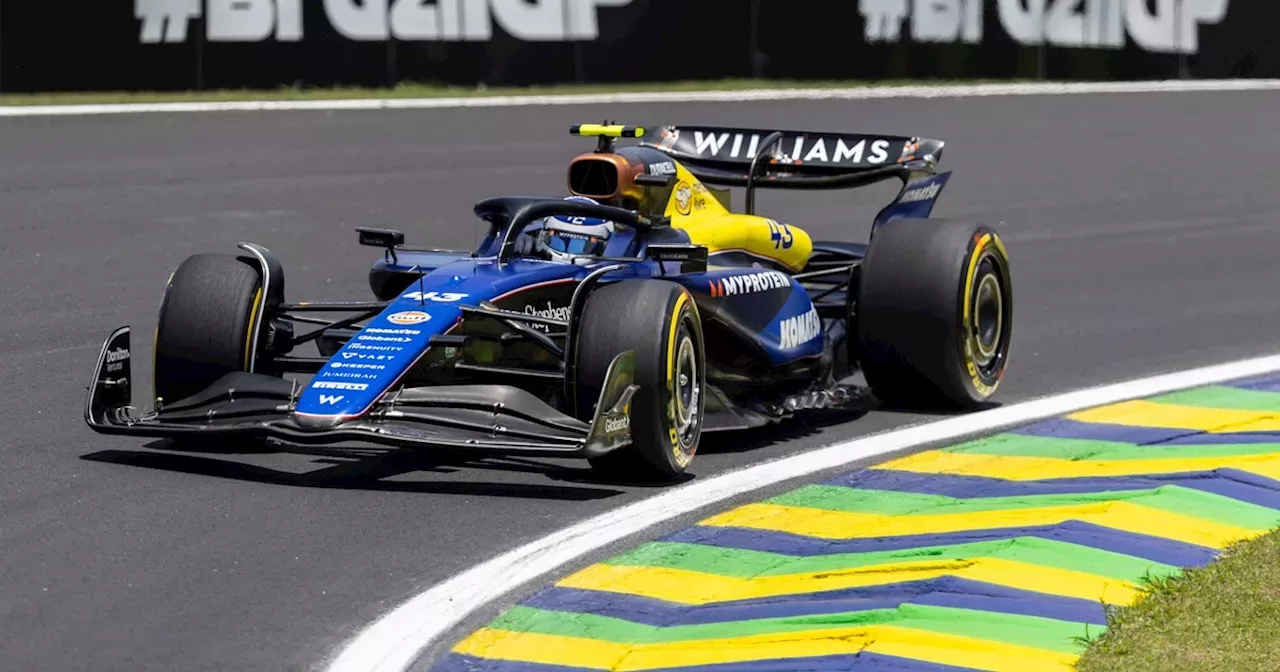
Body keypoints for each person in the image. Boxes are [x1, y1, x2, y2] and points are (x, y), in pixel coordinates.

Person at [516, 196, 616, 263]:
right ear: (543, 236)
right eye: (557, 241)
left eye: (578, 245)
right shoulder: (526, 241)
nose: (567, 256)